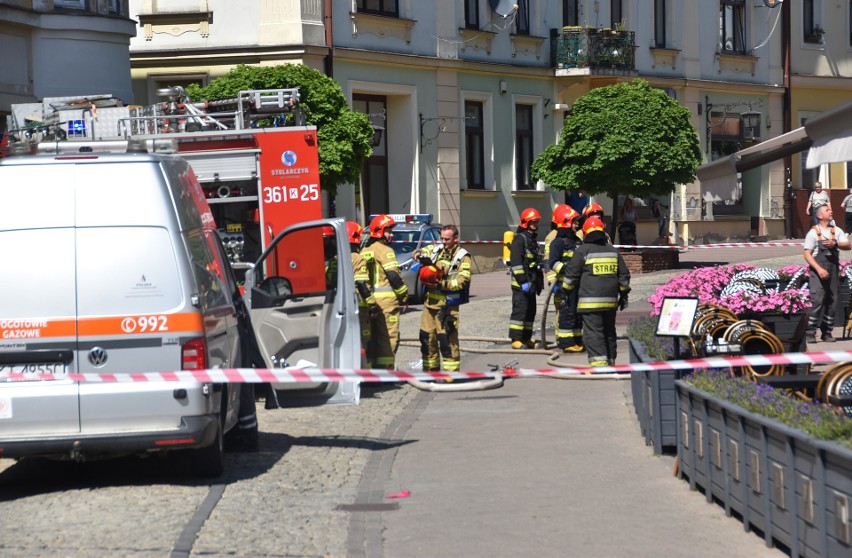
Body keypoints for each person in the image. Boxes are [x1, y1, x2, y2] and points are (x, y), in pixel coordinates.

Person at [562, 216, 631, 366]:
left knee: (594, 333)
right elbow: (624, 276)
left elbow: (571, 276)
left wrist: (565, 291)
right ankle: (611, 361)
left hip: (589, 303)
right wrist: (624, 294)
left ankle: (599, 365)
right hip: (611, 303)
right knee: (609, 332)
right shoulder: (613, 251)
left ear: (586, 233)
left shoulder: (583, 251)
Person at [416, 225, 472, 372]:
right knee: (427, 339)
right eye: (442, 238)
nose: (443, 241)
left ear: (456, 238)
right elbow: (420, 251)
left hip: (447, 306)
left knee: (447, 340)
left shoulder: (462, 256)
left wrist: (441, 284)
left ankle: (451, 373)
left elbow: (462, 281)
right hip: (430, 305)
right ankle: (430, 371)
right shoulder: (436, 249)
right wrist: (418, 255)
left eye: (447, 239)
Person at [361, 214, 408, 369]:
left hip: (370, 302)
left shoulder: (365, 250)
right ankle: (386, 373)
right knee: (388, 337)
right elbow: (394, 276)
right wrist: (404, 296)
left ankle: (371, 372)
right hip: (386, 303)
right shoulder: (386, 250)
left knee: (372, 338)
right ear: (380, 231)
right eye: (389, 231)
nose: (392, 234)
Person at [804, 202, 851, 344]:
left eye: (830, 209)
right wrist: (819, 269)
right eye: (827, 210)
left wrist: (835, 243)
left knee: (832, 300)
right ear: (819, 215)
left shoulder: (837, 230)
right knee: (817, 300)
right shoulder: (813, 233)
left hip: (833, 270)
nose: (831, 211)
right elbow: (807, 254)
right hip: (818, 271)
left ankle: (827, 332)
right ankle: (810, 332)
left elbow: (848, 245)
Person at [548, 205, 583, 352]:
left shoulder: (576, 240)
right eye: (574, 222)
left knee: (576, 313)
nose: (577, 225)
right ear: (566, 222)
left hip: (577, 283)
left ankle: (576, 340)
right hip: (564, 284)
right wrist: (569, 270)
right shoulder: (558, 242)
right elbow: (553, 263)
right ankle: (567, 343)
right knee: (566, 313)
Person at [509, 207, 544, 349]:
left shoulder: (531, 239)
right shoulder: (519, 239)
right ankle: (516, 339)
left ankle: (527, 338)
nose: (536, 224)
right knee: (520, 311)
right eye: (533, 222)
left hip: (532, 282)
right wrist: (523, 281)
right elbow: (516, 263)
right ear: (525, 222)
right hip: (521, 284)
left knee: (531, 311)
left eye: (536, 222)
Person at [347, 221, 377, 368]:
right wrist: (372, 304)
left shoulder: (335, 258)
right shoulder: (357, 258)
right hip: (359, 307)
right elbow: (361, 284)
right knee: (364, 341)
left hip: (341, 307)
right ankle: (367, 374)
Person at [544, 204, 571, 317]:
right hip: (558, 280)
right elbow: (548, 260)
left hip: (569, 280)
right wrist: (552, 281)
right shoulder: (553, 236)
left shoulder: (569, 234)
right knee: (560, 313)